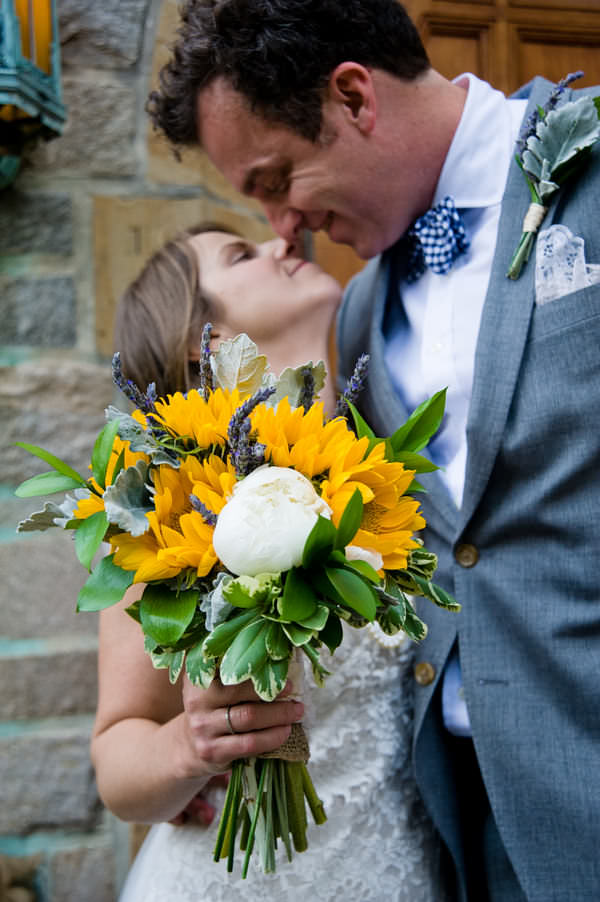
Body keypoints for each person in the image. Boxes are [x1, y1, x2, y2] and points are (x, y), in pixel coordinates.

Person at [146, 2, 600, 901]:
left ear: (353, 96)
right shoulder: (353, 315)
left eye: (278, 180)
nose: (283, 227)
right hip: (459, 822)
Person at [92, 223, 445, 901]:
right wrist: (190, 747)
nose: (286, 243)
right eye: (241, 256)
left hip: (397, 871)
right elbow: (116, 757)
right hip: (236, 881)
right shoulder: (171, 503)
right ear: (211, 339)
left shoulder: (386, 469)